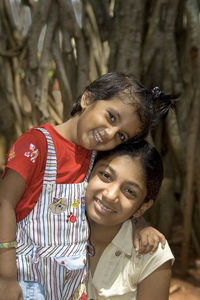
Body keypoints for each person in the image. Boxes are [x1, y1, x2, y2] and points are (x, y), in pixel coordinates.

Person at [0, 72, 175, 300]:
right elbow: (4, 202)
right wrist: (6, 277)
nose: (110, 133)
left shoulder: (94, 158)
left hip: (70, 287)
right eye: (111, 117)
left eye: (121, 136)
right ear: (88, 98)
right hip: (28, 282)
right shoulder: (38, 145)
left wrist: (141, 225)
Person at [86, 140, 174, 300]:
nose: (110, 195)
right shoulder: (53, 228)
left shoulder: (150, 253)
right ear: (88, 172)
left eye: (129, 191)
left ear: (142, 207)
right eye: (106, 175)